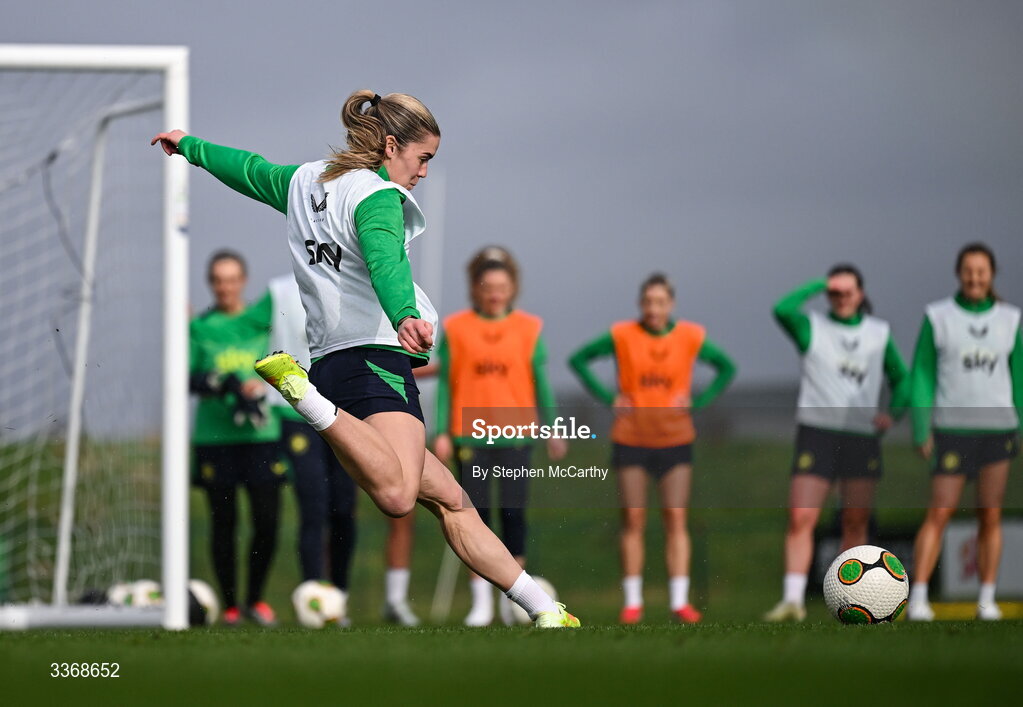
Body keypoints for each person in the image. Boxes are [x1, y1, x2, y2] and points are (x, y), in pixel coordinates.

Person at [153, 89, 579, 628]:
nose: (424, 171)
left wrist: (190, 145)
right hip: (375, 358)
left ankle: (545, 611)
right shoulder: (377, 196)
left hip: (335, 362)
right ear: (393, 145)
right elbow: (385, 258)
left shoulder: (307, 180)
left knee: (451, 499)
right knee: (399, 495)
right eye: (423, 158)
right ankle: (302, 396)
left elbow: (250, 170)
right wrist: (404, 313)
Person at [569, 273, 735, 624]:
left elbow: (726, 367)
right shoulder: (622, 335)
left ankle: (679, 601)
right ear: (640, 304)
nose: (653, 309)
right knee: (633, 518)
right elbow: (579, 359)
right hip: (630, 437)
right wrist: (608, 397)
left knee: (675, 518)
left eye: (660, 302)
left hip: (676, 438)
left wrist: (698, 400)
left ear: (671, 304)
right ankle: (632, 602)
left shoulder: (690, 336)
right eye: (647, 302)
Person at [763, 265, 909, 622]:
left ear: (860, 294)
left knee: (855, 520)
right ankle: (793, 602)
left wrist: (894, 413)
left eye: (848, 291)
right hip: (817, 431)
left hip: (861, 436)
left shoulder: (878, 333)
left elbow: (901, 379)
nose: (842, 298)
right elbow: (782, 309)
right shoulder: (812, 327)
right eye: (835, 292)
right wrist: (818, 283)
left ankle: (849, 600)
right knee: (801, 517)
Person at [433, 246, 567, 626]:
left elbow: (540, 382)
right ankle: (481, 605)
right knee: (475, 519)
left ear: (513, 289)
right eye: (488, 286)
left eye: (502, 286)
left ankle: (516, 602)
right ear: (476, 289)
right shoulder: (457, 328)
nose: (495, 293)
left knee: (513, 515)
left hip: (517, 435)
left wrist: (553, 426)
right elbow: (447, 383)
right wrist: (442, 431)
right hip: (469, 437)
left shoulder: (529, 328)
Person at [907, 243, 1021, 621]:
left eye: (982, 271)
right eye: (969, 270)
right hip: (953, 429)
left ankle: (986, 599)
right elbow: (921, 373)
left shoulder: (1011, 319)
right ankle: (919, 598)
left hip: (997, 429)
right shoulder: (938, 316)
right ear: (959, 273)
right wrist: (922, 426)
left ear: (992, 274)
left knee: (989, 514)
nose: (975, 277)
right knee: (939, 512)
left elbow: (1018, 377)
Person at [189, 251, 285, 626]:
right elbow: (187, 377)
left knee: (267, 521)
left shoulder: (261, 323)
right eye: (217, 280)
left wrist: (258, 384)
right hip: (216, 439)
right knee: (223, 522)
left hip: (262, 436)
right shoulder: (199, 328)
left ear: (243, 281)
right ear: (210, 284)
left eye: (231, 279)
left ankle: (256, 600)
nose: (225, 287)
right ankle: (229, 606)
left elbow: (284, 359)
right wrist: (222, 382)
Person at [264, 274, 357, 623]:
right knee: (313, 508)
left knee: (344, 508)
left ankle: (340, 599)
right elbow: (245, 328)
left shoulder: (355, 282)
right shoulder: (280, 290)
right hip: (296, 414)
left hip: (346, 411)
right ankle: (313, 594)